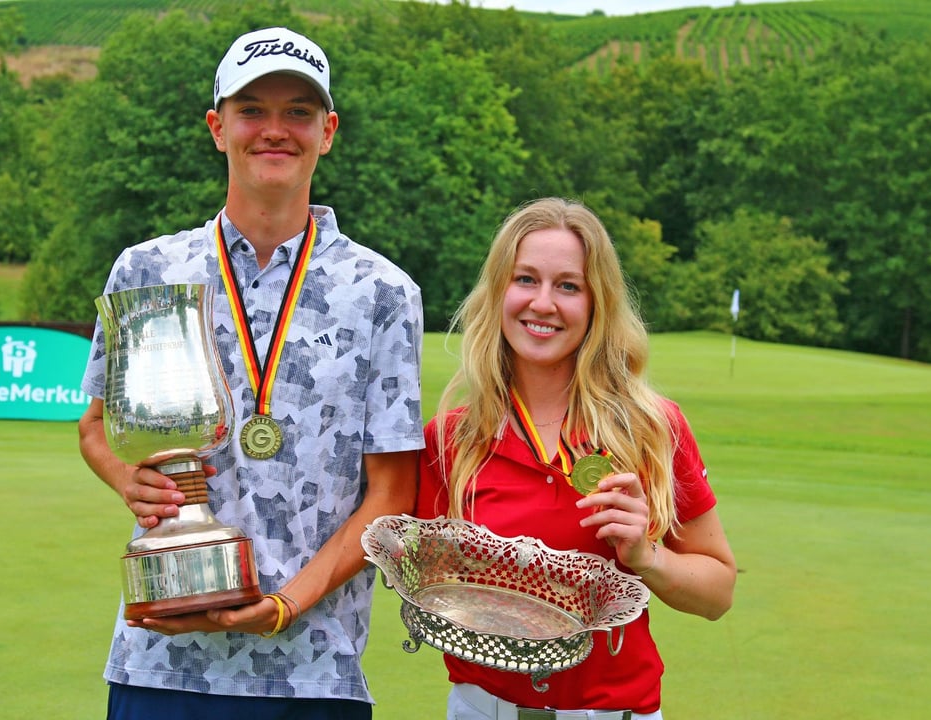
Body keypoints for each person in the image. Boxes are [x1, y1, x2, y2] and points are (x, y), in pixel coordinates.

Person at [77, 26, 424, 720]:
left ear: (327, 131)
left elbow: (392, 492)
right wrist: (131, 480)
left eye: (297, 111)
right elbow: (93, 428)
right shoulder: (147, 269)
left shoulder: (384, 291)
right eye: (252, 110)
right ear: (217, 127)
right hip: (163, 663)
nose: (275, 129)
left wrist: (285, 604)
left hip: (314, 668)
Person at [415, 198, 736, 720]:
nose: (543, 303)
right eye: (525, 279)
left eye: (568, 285)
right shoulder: (451, 441)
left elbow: (717, 594)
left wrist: (647, 556)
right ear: (498, 292)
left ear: (596, 302)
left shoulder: (652, 428)